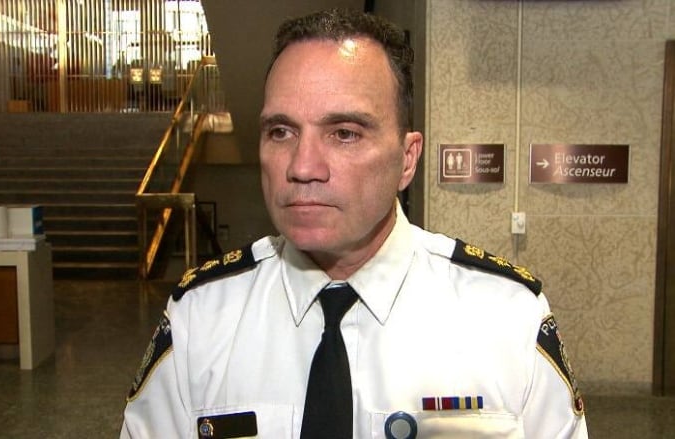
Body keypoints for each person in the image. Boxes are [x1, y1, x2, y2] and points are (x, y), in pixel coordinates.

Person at [121, 8, 588, 438]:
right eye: (280, 131)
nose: (302, 166)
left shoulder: (506, 317)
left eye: (344, 133)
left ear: (407, 159)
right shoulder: (201, 318)